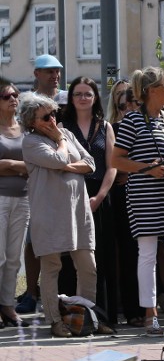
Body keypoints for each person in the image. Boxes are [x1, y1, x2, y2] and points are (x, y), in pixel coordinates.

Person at [111, 67, 164, 336]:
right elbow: (116, 160)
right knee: (147, 254)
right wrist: (147, 167)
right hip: (144, 194)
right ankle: (151, 315)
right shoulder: (132, 121)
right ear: (150, 91)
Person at [18, 92, 102, 337]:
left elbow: (90, 164)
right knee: (51, 266)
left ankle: (85, 318)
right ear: (32, 121)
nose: (53, 119)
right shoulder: (31, 142)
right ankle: (56, 321)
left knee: (88, 266)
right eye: (46, 116)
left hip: (78, 211)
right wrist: (60, 144)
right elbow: (59, 158)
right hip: (49, 212)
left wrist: (63, 161)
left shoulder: (67, 134)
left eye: (54, 113)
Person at [60, 76, 119, 325]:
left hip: (99, 196)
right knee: (68, 258)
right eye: (78, 94)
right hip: (69, 196)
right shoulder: (62, 127)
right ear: (71, 99)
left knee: (102, 257)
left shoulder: (105, 126)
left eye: (88, 93)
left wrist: (100, 196)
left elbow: (112, 166)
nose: (83, 98)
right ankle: (70, 316)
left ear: (95, 98)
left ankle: (102, 316)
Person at [16, 55, 68, 315]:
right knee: (33, 239)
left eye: (57, 71)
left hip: (64, 172)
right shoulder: (26, 104)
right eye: (49, 71)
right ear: (37, 73)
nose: (55, 75)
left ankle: (65, 294)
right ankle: (31, 292)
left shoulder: (66, 98)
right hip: (36, 176)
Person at [106, 81, 146, 328]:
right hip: (119, 195)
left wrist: (130, 170)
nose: (128, 107)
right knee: (126, 254)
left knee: (140, 254)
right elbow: (115, 164)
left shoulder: (148, 126)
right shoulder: (114, 128)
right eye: (122, 103)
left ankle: (141, 308)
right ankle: (128, 308)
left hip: (144, 194)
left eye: (132, 101)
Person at [0, 81, 30, 327]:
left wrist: (10, 165)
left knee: (13, 258)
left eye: (15, 94)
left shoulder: (25, 130)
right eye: (7, 95)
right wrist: (20, 167)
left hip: (23, 199)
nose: (13, 98)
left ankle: (8, 306)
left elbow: (34, 164)